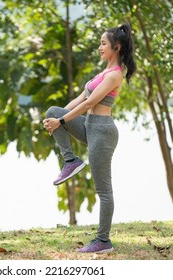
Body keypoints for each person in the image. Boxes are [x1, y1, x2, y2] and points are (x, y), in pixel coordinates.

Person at [43, 23, 136, 253]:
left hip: (103, 132)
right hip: (89, 126)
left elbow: (89, 103)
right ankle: (71, 161)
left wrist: (62, 122)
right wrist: (58, 121)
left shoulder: (115, 75)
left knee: (103, 190)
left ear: (116, 47)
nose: (99, 47)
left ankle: (103, 241)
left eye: (103, 43)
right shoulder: (103, 72)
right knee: (53, 111)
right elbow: (79, 98)